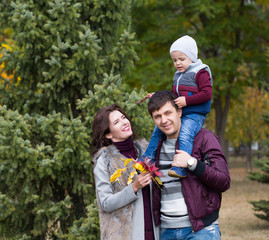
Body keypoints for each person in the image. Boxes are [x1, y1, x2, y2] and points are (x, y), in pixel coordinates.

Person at [147, 90, 230, 239]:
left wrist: (192, 163)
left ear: (179, 111)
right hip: (166, 231)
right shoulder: (155, 148)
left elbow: (223, 181)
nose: (163, 120)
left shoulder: (204, 138)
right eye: (157, 117)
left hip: (200, 230)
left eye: (168, 113)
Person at [143, 35, 213, 178]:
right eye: (175, 60)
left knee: (185, 135)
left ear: (191, 57)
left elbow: (207, 94)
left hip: (195, 113)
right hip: (180, 112)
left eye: (182, 59)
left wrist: (187, 101)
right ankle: (146, 160)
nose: (178, 63)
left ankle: (180, 167)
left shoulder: (201, 72)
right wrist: (158, 95)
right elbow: (174, 96)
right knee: (157, 131)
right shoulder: (178, 75)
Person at [92, 104, 159, 240]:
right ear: (108, 134)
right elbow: (105, 203)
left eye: (123, 117)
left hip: (155, 231)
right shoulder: (104, 161)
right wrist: (134, 187)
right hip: (125, 235)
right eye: (117, 122)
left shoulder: (146, 151)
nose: (124, 122)